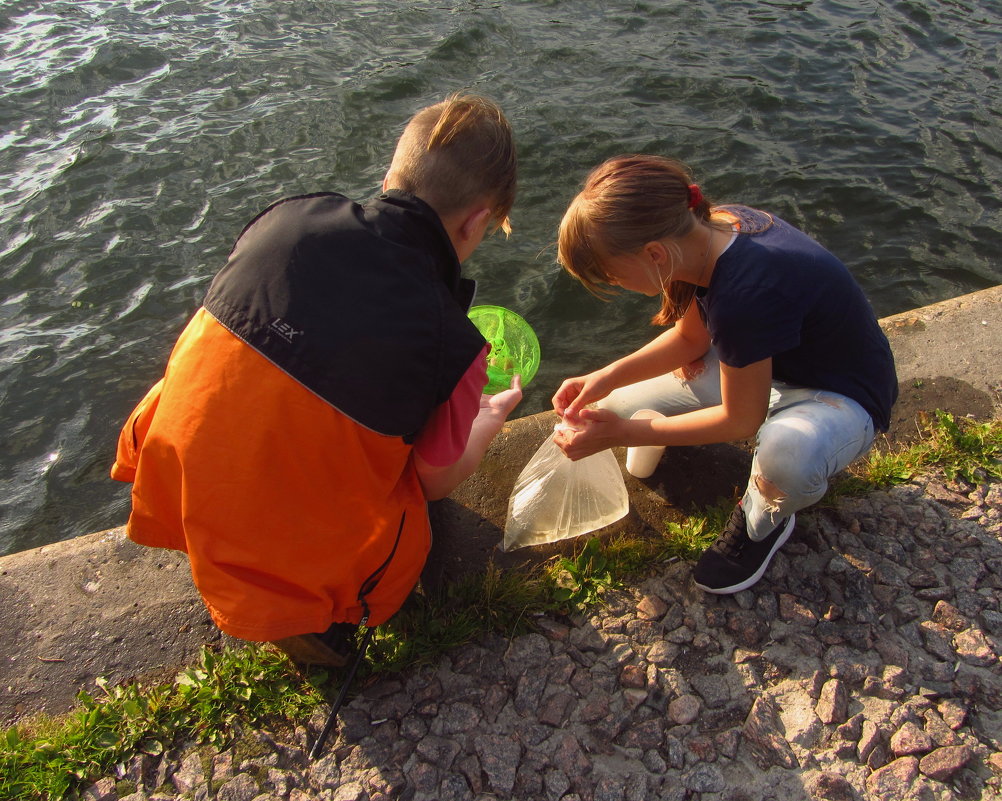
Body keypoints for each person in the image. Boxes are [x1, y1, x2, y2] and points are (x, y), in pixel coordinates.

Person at [111, 94, 522, 665]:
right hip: (284, 535)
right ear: (478, 221)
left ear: (391, 176)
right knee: (411, 519)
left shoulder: (286, 218)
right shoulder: (453, 343)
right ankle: (306, 609)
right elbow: (435, 482)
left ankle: (224, 539)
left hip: (173, 472)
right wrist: (489, 419)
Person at [551, 154, 897, 595]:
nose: (616, 285)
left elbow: (740, 420)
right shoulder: (710, 230)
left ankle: (761, 521)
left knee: (788, 454)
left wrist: (622, 434)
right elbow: (690, 340)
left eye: (613, 275)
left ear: (653, 253)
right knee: (616, 401)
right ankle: (653, 434)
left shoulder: (743, 295)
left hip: (840, 394)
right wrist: (605, 377)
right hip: (775, 365)